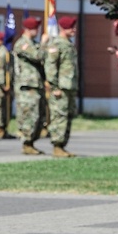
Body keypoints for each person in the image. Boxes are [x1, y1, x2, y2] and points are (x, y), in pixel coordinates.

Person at [45, 16, 79, 158]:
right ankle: (57, 146)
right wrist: (54, 87)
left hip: (69, 86)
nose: (74, 30)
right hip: (61, 87)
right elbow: (51, 67)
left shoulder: (68, 44)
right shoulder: (57, 44)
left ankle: (63, 145)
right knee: (59, 116)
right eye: (72, 27)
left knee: (68, 116)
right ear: (64, 28)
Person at [14, 16, 47, 155]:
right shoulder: (23, 44)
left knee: (38, 117)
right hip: (27, 86)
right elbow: (38, 56)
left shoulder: (33, 43)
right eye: (35, 28)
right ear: (28, 29)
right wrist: (45, 43)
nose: (38, 30)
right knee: (29, 116)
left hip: (36, 84)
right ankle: (27, 143)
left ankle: (31, 143)